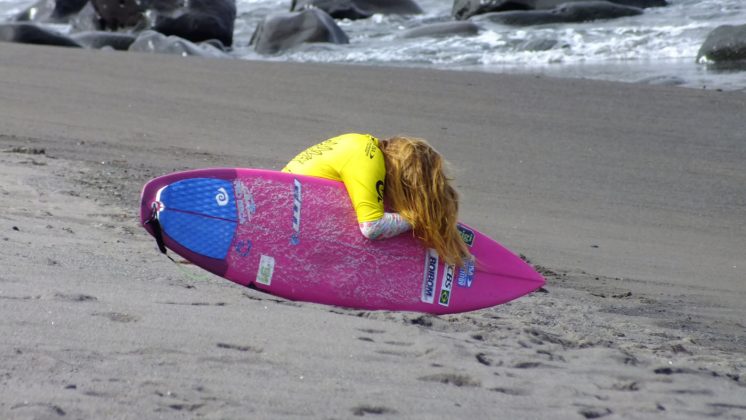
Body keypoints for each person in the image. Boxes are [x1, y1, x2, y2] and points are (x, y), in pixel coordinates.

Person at [282, 133, 470, 267]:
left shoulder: (361, 143)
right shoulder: (369, 160)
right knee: (378, 225)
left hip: (284, 203)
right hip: (288, 222)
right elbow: (372, 227)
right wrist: (420, 217)